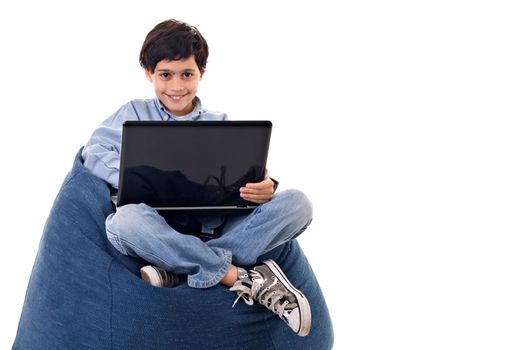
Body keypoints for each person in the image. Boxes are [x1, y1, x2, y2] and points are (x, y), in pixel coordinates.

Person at [81, 19, 313, 337]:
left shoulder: (219, 123)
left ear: (201, 73)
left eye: (187, 74)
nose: (176, 87)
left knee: (298, 204)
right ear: (149, 73)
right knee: (124, 223)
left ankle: (176, 267)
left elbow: (241, 179)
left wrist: (265, 188)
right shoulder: (133, 113)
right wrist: (151, 177)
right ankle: (238, 277)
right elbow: (93, 153)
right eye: (166, 75)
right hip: (154, 226)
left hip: (212, 228)